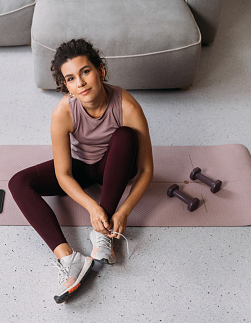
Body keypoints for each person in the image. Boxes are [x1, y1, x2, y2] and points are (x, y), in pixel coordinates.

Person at [8, 39, 153, 304]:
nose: (81, 83)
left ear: (101, 71)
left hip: (115, 167)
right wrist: (91, 207)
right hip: (81, 169)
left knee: (124, 136)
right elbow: (63, 173)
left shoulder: (127, 106)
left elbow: (145, 170)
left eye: (85, 72)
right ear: (66, 86)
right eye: (71, 78)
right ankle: (69, 258)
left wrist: (123, 211)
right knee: (18, 182)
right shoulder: (64, 111)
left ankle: (102, 235)